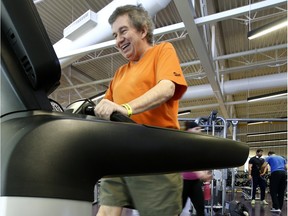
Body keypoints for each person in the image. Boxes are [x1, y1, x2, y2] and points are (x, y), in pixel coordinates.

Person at [94, 4, 187, 216]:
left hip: (154, 156)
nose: (118, 40)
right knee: (106, 211)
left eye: (123, 31)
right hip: (119, 155)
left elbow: (167, 87)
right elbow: (103, 108)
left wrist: (126, 108)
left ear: (143, 30)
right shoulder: (120, 73)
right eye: (115, 35)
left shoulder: (161, 51)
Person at [181, 121, 212, 216]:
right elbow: (187, 160)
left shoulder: (198, 145)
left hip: (195, 182)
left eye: (200, 129)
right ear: (189, 130)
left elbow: (201, 160)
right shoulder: (183, 143)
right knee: (177, 210)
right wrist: (200, 173)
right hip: (183, 181)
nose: (199, 131)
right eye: (196, 129)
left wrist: (205, 172)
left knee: (200, 208)